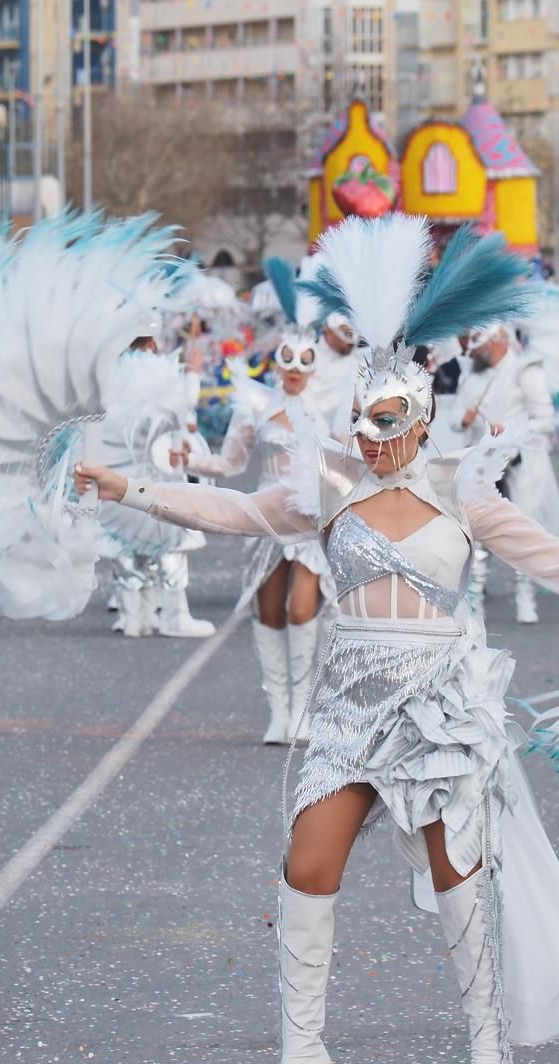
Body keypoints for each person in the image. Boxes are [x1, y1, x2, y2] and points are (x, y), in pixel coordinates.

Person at [76, 215, 559, 1064]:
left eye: (386, 420)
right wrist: (130, 488)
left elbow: (552, 559)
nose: (368, 435)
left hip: (437, 705)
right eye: (359, 419)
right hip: (349, 705)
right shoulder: (328, 486)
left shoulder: (460, 489)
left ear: (422, 417)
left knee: (458, 879)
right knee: (307, 866)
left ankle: (488, 1056)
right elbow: (234, 511)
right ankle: (304, 1061)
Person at [171, 259, 335, 743]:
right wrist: (188, 459)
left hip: (308, 521)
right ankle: (278, 713)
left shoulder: (329, 409)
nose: (295, 371)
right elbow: (230, 463)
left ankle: (303, 709)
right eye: (288, 361)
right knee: (269, 614)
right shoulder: (256, 404)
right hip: (265, 516)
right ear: (277, 362)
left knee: (302, 610)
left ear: (314, 366)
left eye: (304, 363)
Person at [447, 323, 559, 623]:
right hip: (480, 467)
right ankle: (474, 603)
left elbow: (545, 420)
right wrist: (464, 420)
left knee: (522, 533)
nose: (471, 348)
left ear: (497, 341)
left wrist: (511, 433)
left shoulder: (524, 370)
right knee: (477, 533)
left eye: (477, 342)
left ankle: (525, 600)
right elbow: (454, 420)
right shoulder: (470, 374)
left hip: (519, 467)